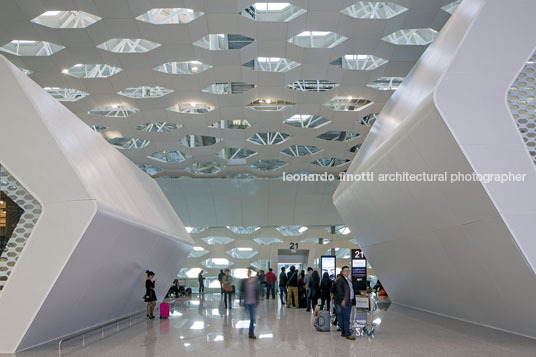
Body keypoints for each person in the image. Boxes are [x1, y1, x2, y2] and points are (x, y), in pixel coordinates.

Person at [334, 266, 356, 340]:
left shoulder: (348, 280)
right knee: (346, 317)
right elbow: (339, 291)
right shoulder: (341, 280)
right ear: (342, 272)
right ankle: (348, 334)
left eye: (348, 270)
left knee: (344, 317)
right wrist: (343, 300)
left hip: (349, 301)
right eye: (345, 271)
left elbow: (351, 290)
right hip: (345, 301)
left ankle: (343, 331)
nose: (347, 272)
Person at [240, 268, 260, 339]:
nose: (249, 273)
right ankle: (241, 329)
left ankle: (251, 333)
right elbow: (241, 292)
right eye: (248, 272)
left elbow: (257, 291)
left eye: (250, 272)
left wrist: (258, 301)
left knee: (253, 319)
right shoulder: (244, 281)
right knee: (243, 317)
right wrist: (240, 302)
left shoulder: (255, 281)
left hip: (253, 302)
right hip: (246, 302)